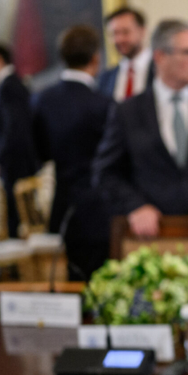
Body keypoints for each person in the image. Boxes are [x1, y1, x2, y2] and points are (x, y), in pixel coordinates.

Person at [94, 19, 188, 241]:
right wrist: (135, 206)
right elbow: (105, 172)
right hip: (151, 239)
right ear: (160, 56)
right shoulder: (127, 111)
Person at [32, 25, 113, 281]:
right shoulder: (105, 105)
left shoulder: (42, 100)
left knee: (70, 283)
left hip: (63, 205)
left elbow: (40, 153)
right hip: (100, 210)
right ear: (95, 58)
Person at [0, 43, 38, 238]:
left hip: (16, 167)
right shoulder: (11, 85)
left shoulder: (9, 87)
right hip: (16, 166)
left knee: (20, 224)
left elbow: (13, 129)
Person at [97, 7, 155, 102]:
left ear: (142, 31)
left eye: (125, 32)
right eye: (115, 33)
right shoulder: (105, 78)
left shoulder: (160, 70)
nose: (119, 39)